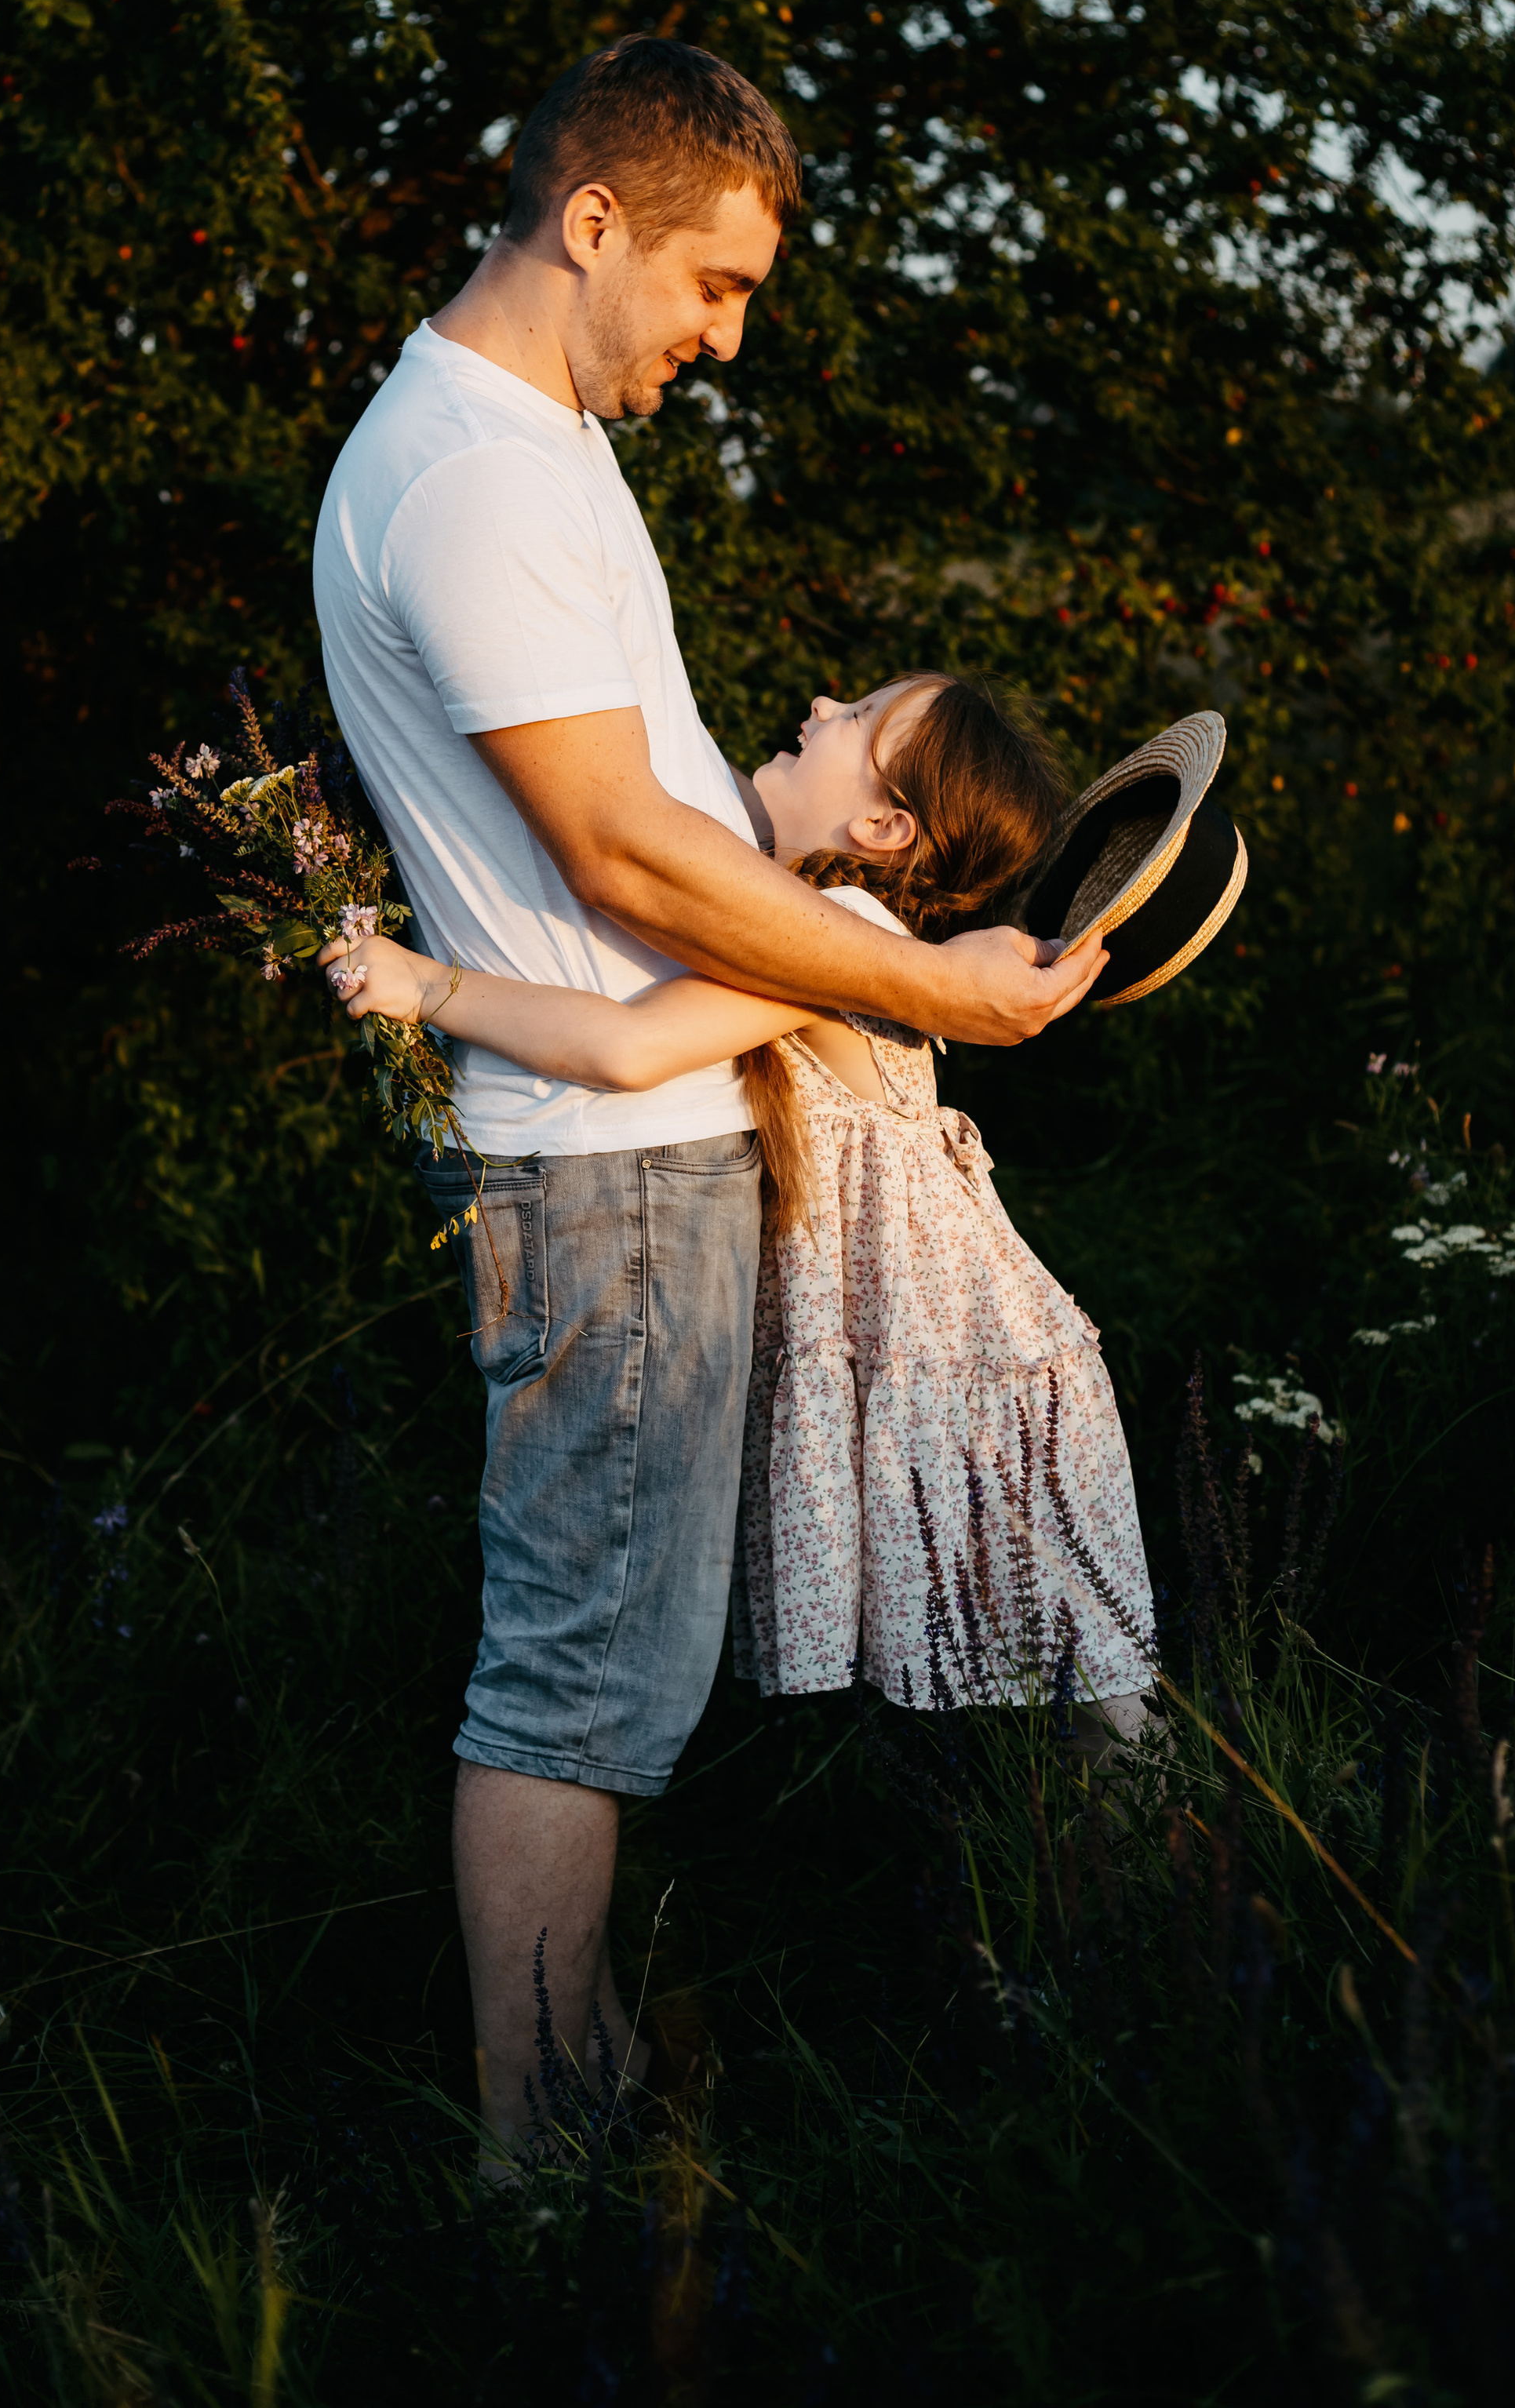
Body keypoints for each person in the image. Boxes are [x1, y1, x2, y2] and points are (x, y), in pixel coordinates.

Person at [311, 36, 1105, 2167]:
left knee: (604, 1685)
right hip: (607, 1181)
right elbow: (624, 858)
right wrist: (927, 982)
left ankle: (573, 2116)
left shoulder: (540, 447)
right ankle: (541, 2173)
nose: (727, 338)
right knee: (576, 1693)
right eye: (715, 284)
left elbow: (673, 833)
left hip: (632, 1164)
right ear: (592, 225)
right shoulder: (473, 480)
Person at [325, 671, 1157, 1763]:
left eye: (858, 719)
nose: (819, 706)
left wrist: (430, 987)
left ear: (885, 827)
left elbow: (627, 1046)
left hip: (959, 1369)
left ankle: (1215, 1862)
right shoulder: (822, 922)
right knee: (1054, 1733)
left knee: (1098, 1739)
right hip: (940, 1358)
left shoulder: (844, 930)